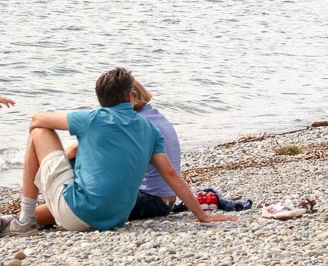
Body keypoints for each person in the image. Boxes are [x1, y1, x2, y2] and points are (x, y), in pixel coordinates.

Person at [0, 68, 234, 236]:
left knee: (39, 131)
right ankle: (28, 216)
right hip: (116, 218)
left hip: (78, 216)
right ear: (131, 96)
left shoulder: (92, 118)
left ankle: (26, 219)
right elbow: (171, 174)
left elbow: (37, 118)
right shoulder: (150, 128)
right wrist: (201, 216)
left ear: (99, 99)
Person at [63, 80, 182, 222]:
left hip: (151, 202)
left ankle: (74, 201)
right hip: (166, 200)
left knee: (75, 157)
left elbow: (73, 151)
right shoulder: (154, 116)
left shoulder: (133, 124)